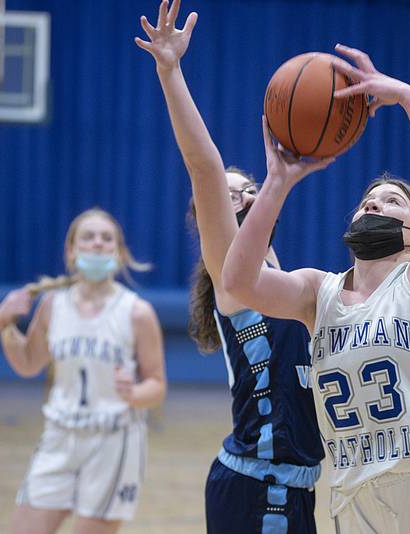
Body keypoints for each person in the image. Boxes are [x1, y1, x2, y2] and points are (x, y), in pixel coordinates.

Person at [222, 44, 410, 533]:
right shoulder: (315, 293)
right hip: (351, 497)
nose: (375, 204)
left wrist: (407, 97)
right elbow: (237, 280)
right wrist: (278, 182)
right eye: (368, 200)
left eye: (393, 202)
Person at [135, 2, 324, 532]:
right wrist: (171, 73)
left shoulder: (291, 282)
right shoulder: (233, 278)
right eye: (231, 195)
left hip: (293, 488)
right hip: (258, 486)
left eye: (250, 189)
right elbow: (205, 165)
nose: (243, 194)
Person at [0, 208, 167, 534]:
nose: (98, 243)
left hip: (113, 442)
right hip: (59, 436)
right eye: (88, 237)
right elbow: (28, 364)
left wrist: (134, 392)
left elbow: (156, 385)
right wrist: (4, 326)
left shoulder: (137, 313)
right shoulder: (52, 307)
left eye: (106, 238)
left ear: (119, 252)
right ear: (71, 251)